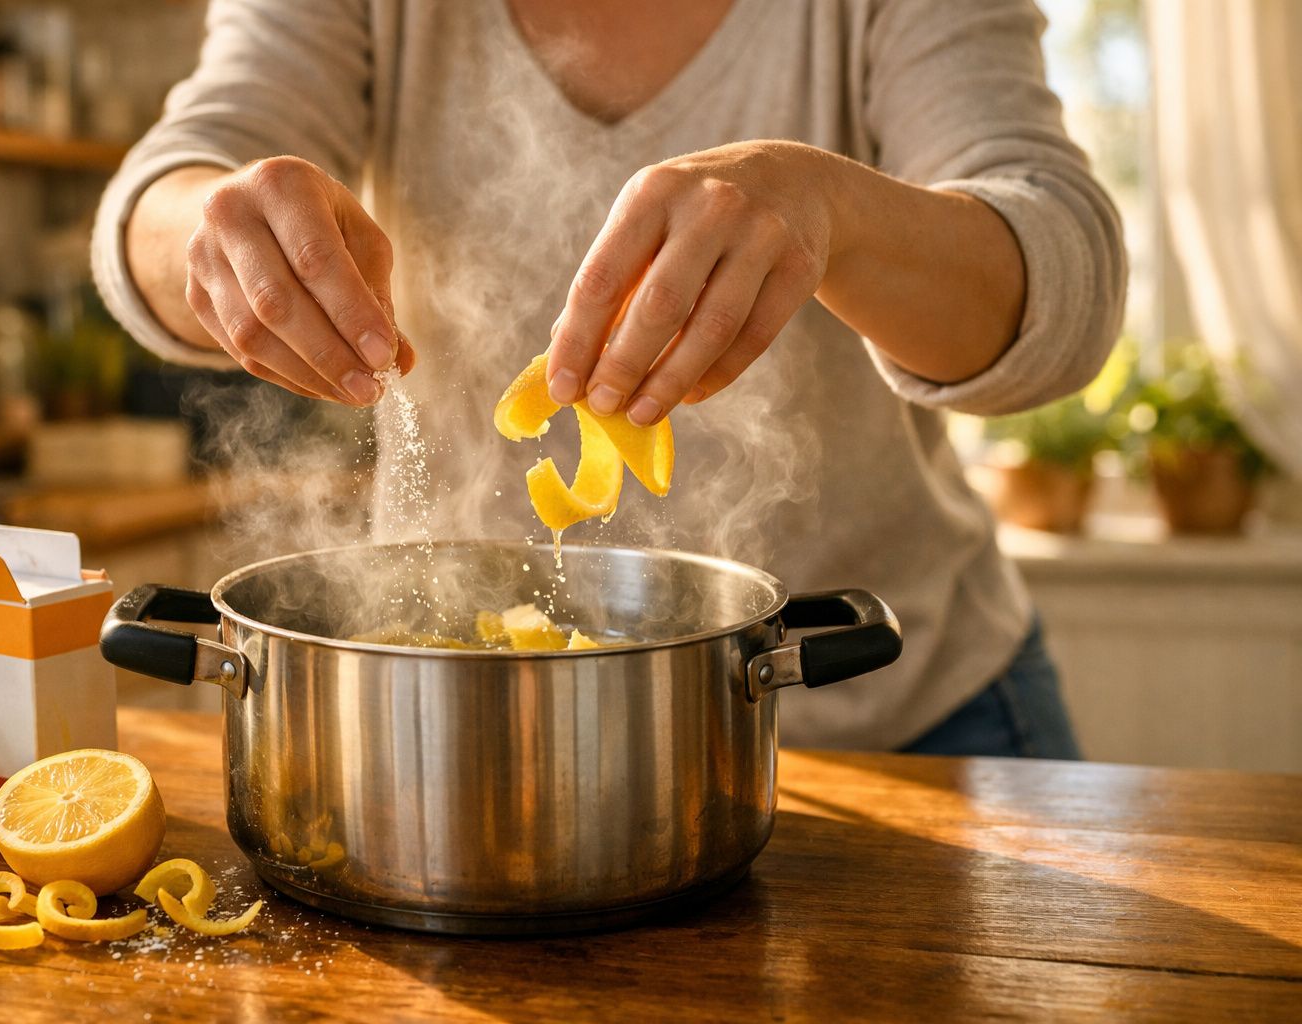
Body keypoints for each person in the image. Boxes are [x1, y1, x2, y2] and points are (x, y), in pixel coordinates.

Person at [93, 0, 1125, 758]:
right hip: (467, 734)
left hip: (903, 707)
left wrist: (832, 211)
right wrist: (217, 224)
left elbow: (1066, 278)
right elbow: (165, 191)